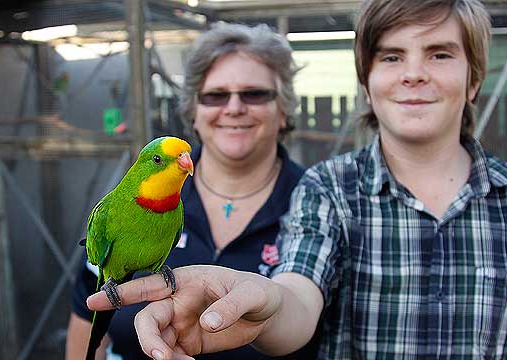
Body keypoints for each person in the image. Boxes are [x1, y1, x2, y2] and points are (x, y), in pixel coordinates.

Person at [86, 0, 507, 359]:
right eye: (392, 56)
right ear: (366, 81)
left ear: (474, 78)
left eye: (440, 54)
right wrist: (268, 300)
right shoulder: (328, 190)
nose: (414, 72)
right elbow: (298, 299)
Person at [65, 23, 318, 359]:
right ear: (193, 113)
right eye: (215, 95)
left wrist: (271, 305)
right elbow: (88, 322)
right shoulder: (125, 201)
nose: (233, 108)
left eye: (254, 94)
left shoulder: (317, 200)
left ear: (283, 109)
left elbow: (306, 311)